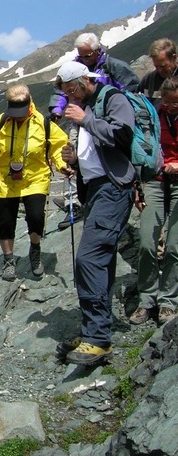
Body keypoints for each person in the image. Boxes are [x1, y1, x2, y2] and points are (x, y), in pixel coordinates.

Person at [56, 61, 136, 366]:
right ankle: (94, 330)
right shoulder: (88, 106)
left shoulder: (113, 99)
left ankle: (98, 339)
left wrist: (86, 119)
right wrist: (74, 161)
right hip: (96, 189)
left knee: (88, 258)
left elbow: (122, 135)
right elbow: (98, 153)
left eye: (71, 90)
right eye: (65, 93)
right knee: (100, 259)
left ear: (84, 81)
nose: (69, 98)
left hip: (114, 189)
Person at [49, 33, 140, 230]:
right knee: (74, 155)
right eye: (81, 55)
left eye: (88, 54)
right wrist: (57, 111)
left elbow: (131, 87)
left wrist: (115, 103)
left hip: (104, 116)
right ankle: (75, 203)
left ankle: (131, 192)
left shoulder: (111, 66)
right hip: (83, 120)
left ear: (98, 50)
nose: (85, 58)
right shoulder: (73, 69)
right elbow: (62, 94)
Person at [0, 83, 70, 280]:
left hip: (35, 177)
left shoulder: (44, 123)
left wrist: (62, 164)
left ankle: (35, 250)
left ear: (30, 102)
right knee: (4, 221)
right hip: (5, 179)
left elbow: (58, 147)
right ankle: (8, 260)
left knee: (36, 216)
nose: (19, 115)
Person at [130, 76, 178, 326]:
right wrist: (137, 186)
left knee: (174, 247)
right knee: (148, 241)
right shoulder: (153, 116)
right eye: (168, 103)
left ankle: (168, 300)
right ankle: (147, 298)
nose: (171, 108)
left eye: (176, 104)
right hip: (156, 180)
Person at [137, 38, 178, 108]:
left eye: (163, 66)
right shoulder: (149, 80)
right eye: (156, 66)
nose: (159, 70)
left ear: (174, 57)